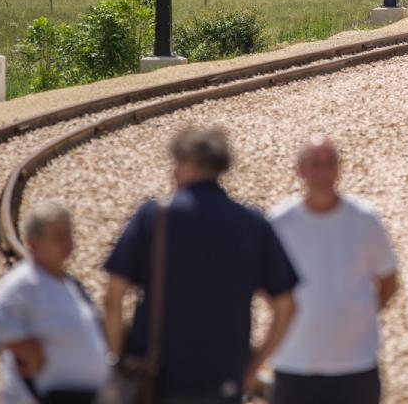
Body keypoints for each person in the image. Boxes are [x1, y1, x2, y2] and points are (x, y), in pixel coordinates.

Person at [102, 126, 298, 403]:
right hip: (224, 380)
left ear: (190, 165)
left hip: (158, 380)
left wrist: (117, 359)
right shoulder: (251, 223)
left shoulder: (155, 218)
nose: (173, 173)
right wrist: (254, 366)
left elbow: (113, 295)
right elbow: (286, 305)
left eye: (176, 165)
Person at [267, 135, 399, 404]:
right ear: (301, 170)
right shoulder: (280, 222)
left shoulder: (365, 219)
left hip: (355, 364)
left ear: (339, 169)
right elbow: (267, 285)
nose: (323, 172)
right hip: (295, 362)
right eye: (315, 164)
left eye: (329, 164)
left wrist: (356, 315)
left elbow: (388, 280)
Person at [0, 204, 109, 404]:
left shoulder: (68, 283)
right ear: (33, 243)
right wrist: (29, 351)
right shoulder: (25, 282)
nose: (66, 243)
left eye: (68, 235)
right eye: (58, 237)